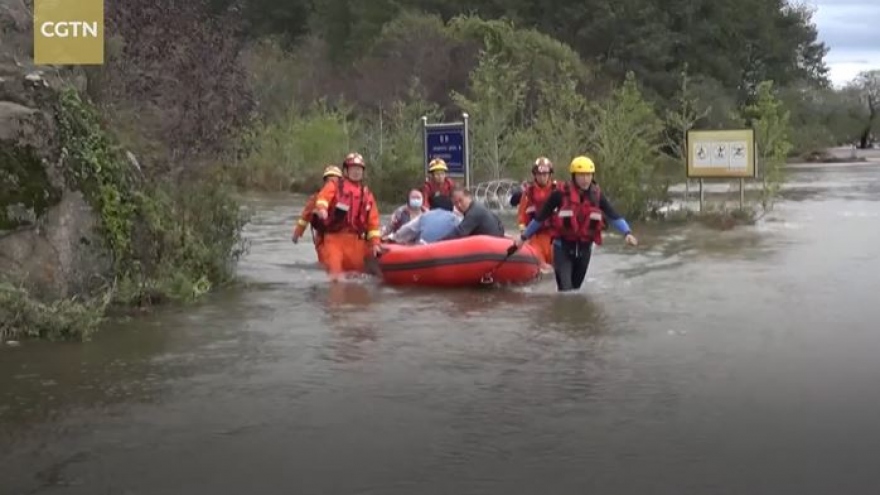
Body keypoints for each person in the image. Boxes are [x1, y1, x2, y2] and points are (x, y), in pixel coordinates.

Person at [511, 155, 638, 292]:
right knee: (566, 291)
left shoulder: (597, 195)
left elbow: (613, 215)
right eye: (581, 175)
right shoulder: (559, 194)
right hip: (562, 249)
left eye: (588, 175)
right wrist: (523, 238)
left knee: (575, 290)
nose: (585, 179)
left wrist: (627, 232)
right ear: (574, 176)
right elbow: (540, 218)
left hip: (584, 250)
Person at [313, 152, 383, 281]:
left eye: (359, 169)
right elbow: (322, 198)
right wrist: (322, 209)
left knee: (357, 279)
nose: (356, 172)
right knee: (336, 279)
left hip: (356, 242)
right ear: (346, 170)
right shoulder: (334, 186)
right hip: (334, 240)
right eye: (353, 169)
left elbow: (373, 223)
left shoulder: (367, 195)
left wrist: (375, 244)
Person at [291, 165, 343, 263]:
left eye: (335, 179)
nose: (332, 182)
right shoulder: (317, 198)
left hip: (340, 236)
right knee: (325, 263)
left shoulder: (347, 196)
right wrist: (297, 233)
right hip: (323, 236)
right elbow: (305, 217)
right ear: (325, 181)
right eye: (329, 179)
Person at [517, 157, 557, 268]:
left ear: (550, 174)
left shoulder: (558, 190)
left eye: (545, 174)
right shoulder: (528, 193)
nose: (542, 177)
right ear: (535, 175)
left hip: (554, 237)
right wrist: (524, 235)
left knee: (559, 269)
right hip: (536, 238)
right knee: (543, 267)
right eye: (539, 174)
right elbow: (521, 217)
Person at [386, 195, 460, 244]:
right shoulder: (456, 219)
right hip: (447, 252)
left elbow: (406, 230)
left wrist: (391, 237)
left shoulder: (425, 216)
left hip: (424, 251)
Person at [438, 186, 505, 241]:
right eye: (455, 203)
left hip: (490, 246)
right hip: (495, 241)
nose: (459, 205)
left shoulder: (474, 212)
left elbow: (459, 233)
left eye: (461, 200)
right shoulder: (479, 207)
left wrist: (438, 242)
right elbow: (499, 224)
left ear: (469, 197)